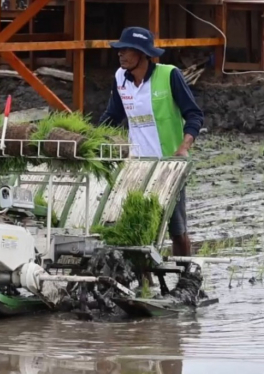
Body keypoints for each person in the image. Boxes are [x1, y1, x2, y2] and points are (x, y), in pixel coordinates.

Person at [99, 26, 204, 260]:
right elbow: (113, 116)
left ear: (142, 54)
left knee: (177, 229)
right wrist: (92, 138)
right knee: (139, 225)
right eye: (120, 50)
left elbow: (194, 114)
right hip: (136, 165)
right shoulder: (120, 78)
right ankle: (143, 280)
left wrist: (183, 148)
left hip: (169, 164)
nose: (121, 54)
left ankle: (185, 274)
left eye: (127, 50)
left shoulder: (169, 75)